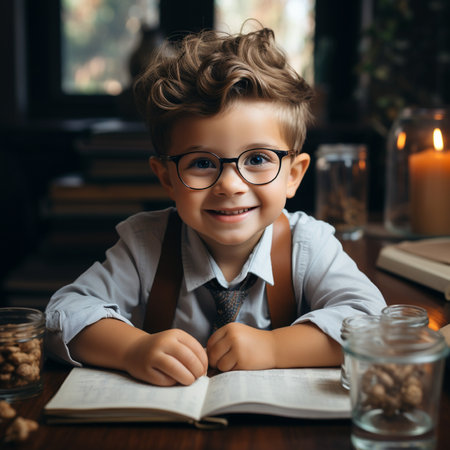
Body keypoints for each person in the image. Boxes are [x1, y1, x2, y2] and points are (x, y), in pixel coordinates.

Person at [45, 24, 386, 387]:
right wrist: (133, 349)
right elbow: (61, 316)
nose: (230, 185)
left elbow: (373, 323)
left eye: (257, 159)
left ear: (294, 175)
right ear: (166, 178)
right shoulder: (146, 243)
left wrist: (273, 347)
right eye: (202, 163)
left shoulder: (308, 244)